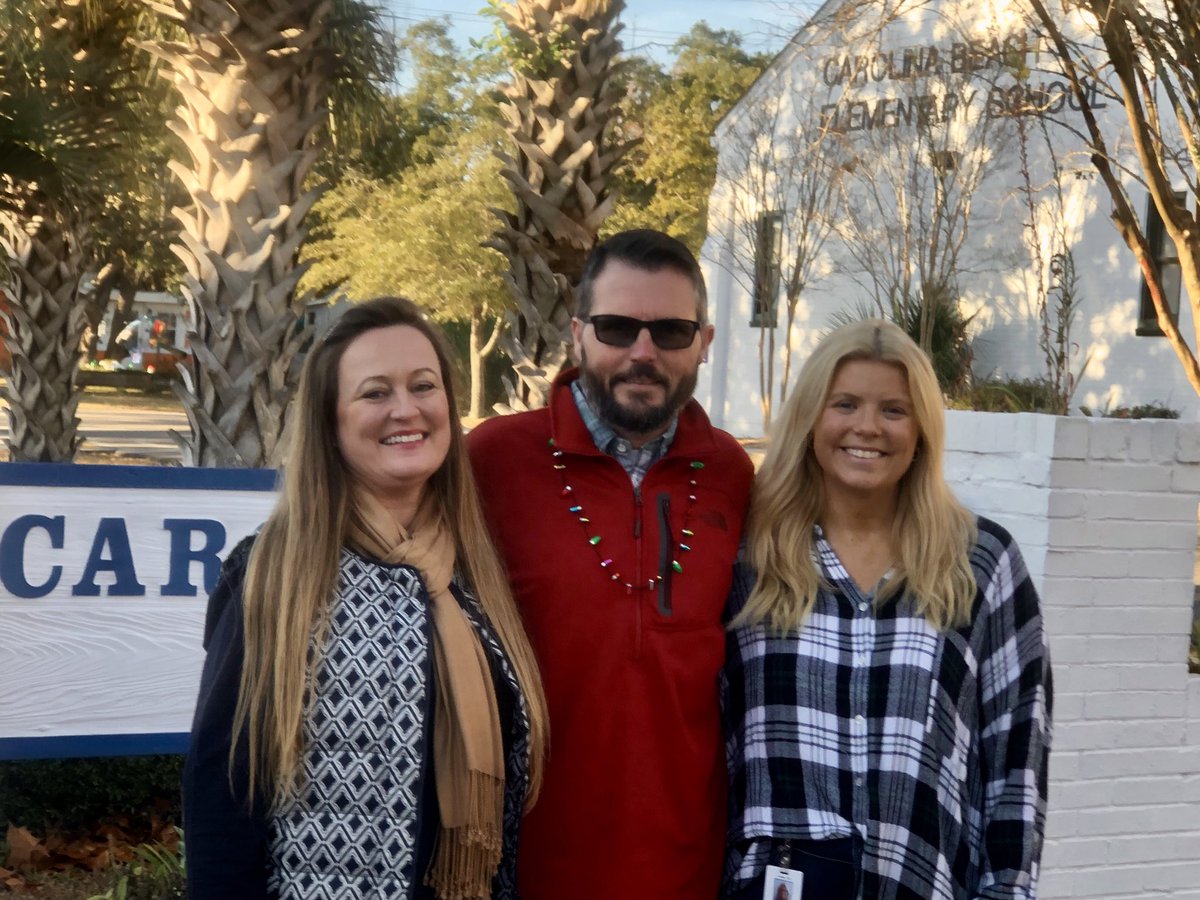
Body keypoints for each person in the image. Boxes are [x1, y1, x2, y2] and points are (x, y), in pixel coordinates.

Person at [183, 297, 548, 900]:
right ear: (331, 421)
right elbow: (221, 789)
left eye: (423, 386)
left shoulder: (474, 571)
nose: (406, 409)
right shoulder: (276, 572)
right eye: (375, 393)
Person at [468, 229, 754, 900]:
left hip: (688, 870)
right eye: (618, 327)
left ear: (704, 344)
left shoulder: (730, 475)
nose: (643, 353)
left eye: (671, 331)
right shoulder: (491, 464)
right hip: (524, 871)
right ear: (578, 334)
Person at [722, 319, 1052, 899]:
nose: (867, 427)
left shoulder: (981, 564)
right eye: (844, 403)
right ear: (810, 418)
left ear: (921, 428)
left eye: (894, 410)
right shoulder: (749, 556)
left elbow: (1015, 763)